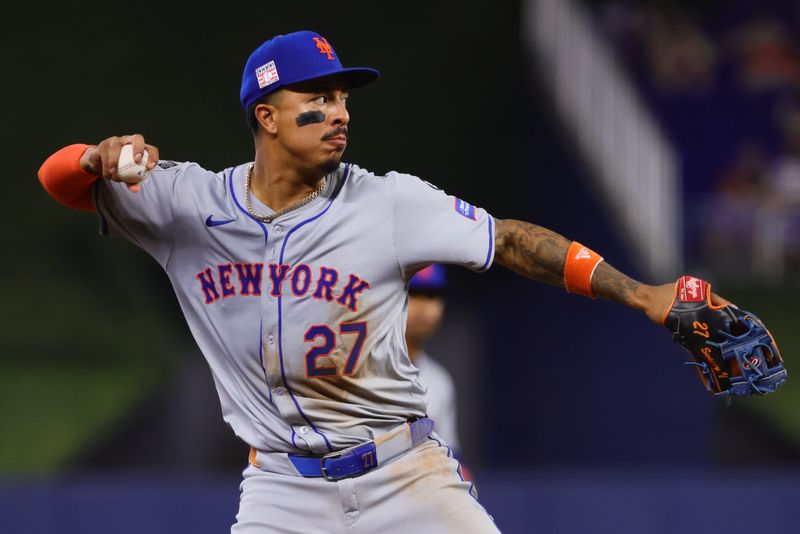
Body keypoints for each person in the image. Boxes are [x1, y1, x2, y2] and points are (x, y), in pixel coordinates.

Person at [37, 30, 730, 533]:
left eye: (343, 97)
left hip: (403, 477)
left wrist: (642, 293)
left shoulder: (388, 202)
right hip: (280, 491)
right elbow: (57, 180)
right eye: (317, 96)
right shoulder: (186, 203)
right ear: (266, 115)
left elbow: (512, 241)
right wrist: (94, 158)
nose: (339, 111)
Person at [405, 264, 461, 453]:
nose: (423, 307)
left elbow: (450, 456)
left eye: (432, 295)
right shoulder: (363, 369)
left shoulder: (440, 381)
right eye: (413, 293)